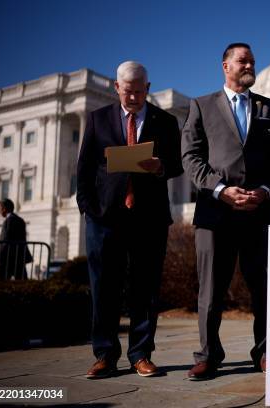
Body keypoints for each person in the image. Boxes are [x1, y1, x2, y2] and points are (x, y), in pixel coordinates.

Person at [182, 43, 270, 380]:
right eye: (243, 61)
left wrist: (266, 191)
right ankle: (208, 355)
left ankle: (266, 351)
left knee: (265, 287)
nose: (250, 65)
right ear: (225, 66)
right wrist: (221, 190)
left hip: (259, 212)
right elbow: (191, 157)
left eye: (252, 61)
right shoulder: (201, 106)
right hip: (216, 213)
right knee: (211, 290)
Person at [76, 61, 183, 379]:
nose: (134, 97)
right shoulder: (98, 119)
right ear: (116, 87)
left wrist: (159, 167)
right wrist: (88, 208)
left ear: (147, 89)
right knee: (103, 288)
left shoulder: (164, 121)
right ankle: (105, 355)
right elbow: (84, 169)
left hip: (148, 218)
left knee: (145, 289)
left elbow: (177, 165)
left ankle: (141, 354)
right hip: (105, 218)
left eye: (139, 91)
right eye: (128, 91)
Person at [0, 199, 31, 280]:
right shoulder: (20, 220)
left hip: (7, 260)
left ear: (4, 209)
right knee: (22, 284)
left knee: (1, 283)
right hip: (19, 257)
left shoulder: (8, 221)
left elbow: (5, 241)